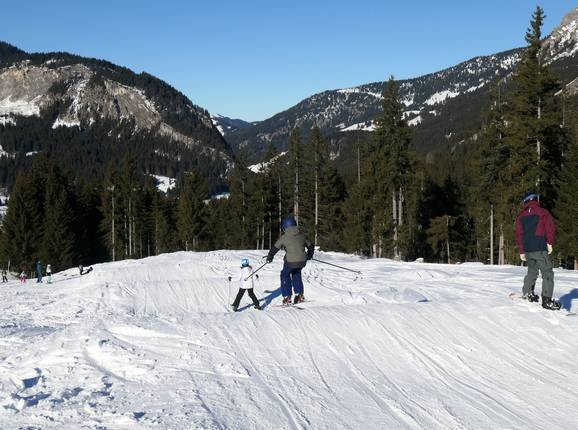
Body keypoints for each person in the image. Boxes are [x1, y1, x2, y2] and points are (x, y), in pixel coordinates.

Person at [515, 192, 560, 310]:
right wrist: (549, 242)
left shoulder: (521, 216)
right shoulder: (542, 212)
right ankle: (547, 300)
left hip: (528, 249)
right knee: (547, 272)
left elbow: (519, 234)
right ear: (535, 200)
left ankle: (527, 293)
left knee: (532, 271)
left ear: (526, 201)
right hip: (539, 247)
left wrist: (522, 251)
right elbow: (549, 228)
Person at [267, 216, 314, 305]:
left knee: (285, 274)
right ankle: (299, 294)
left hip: (290, 262)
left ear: (285, 227)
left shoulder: (284, 237)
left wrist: (270, 256)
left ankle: (287, 296)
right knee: (296, 273)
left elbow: (275, 248)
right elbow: (311, 246)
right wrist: (309, 256)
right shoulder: (302, 236)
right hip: (302, 261)